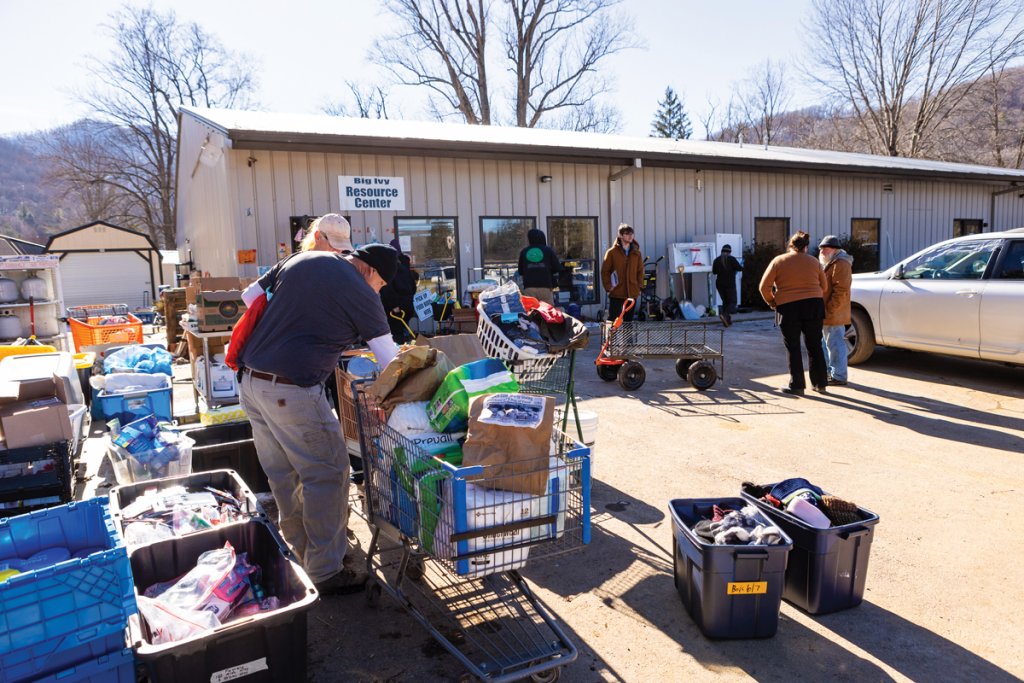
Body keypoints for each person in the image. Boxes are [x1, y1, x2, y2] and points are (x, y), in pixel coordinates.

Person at [237, 243, 400, 594]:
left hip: (251, 381)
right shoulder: (361, 292)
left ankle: (299, 552)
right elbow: (390, 360)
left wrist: (302, 323)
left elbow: (250, 297)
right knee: (328, 472)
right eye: (382, 284)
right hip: (291, 389)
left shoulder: (304, 257)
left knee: (285, 473)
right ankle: (325, 571)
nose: (380, 291)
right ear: (371, 271)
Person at [758, 231, 829, 396]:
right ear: (806, 246)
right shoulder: (814, 262)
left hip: (787, 307)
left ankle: (796, 384)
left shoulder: (779, 261)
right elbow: (824, 287)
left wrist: (772, 302)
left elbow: (764, 286)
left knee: (793, 346)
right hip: (814, 306)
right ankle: (820, 383)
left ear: (790, 245)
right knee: (815, 345)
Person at [818, 235, 854, 386]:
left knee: (835, 344)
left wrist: (830, 309)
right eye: (821, 248)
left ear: (835, 249)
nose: (822, 251)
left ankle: (838, 376)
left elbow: (841, 291)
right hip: (829, 313)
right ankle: (832, 374)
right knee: (829, 344)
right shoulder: (832, 262)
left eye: (826, 248)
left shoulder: (841, 264)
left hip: (834, 313)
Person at [601, 223, 644, 321]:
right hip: (617, 292)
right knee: (614, 321)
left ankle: (628, 337)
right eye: (627, 234)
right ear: (620, 235)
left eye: (632, 233)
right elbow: (605, 271)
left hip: (632, 293)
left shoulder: (637, 253)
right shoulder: (611, 252)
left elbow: (640, 271)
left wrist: (639, 287)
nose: (630, 236)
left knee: (628, 322)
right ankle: (612, 337)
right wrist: (608, 287)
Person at [380, 238, 420, 343]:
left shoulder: (390, 268)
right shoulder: (405, 267)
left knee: (396, 334)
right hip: (406, 305)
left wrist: (394, 305)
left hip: (395, 307)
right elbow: (412, 287)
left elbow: (387, 289)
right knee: (402, 331)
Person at [518, 228, 560, 304]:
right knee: (547, 312)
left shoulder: (524, 252)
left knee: (532, 312)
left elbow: (520, 271)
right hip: (546, 286)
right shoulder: (548, 250)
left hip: (529, 287)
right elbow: (557, 267)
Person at [712, 244, 744, 327]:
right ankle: (724, 314)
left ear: (722, 251)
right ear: (730, 252)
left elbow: (714, 272)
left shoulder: (716, 260)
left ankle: (727, 321)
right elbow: (740, 268)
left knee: (725, 302)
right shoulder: (731, 259)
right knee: (733, 302)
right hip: (729, 284)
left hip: (719, 284)